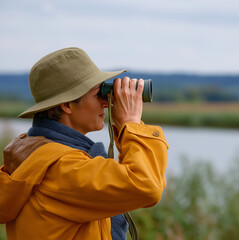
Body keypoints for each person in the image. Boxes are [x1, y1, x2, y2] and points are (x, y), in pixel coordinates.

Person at [0, 47, 169, 239]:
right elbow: (146, 186)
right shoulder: (61, 168)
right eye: (98, 93)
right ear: (66, 105)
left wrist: (125, 127)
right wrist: (131, 123)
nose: (106, 103)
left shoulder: (33, 152)